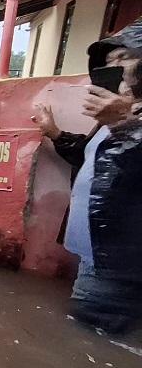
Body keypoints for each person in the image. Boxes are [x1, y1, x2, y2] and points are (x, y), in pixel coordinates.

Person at [31, 19, 142, 333]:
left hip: (119, 266)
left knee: (86, 343)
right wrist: (54, 132)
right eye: (109, 62)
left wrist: (125, 125)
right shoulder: (120, 115)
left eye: (125, 58)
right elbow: (89, 157)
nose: (115, 68)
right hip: (96, 257)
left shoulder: (127, 119)